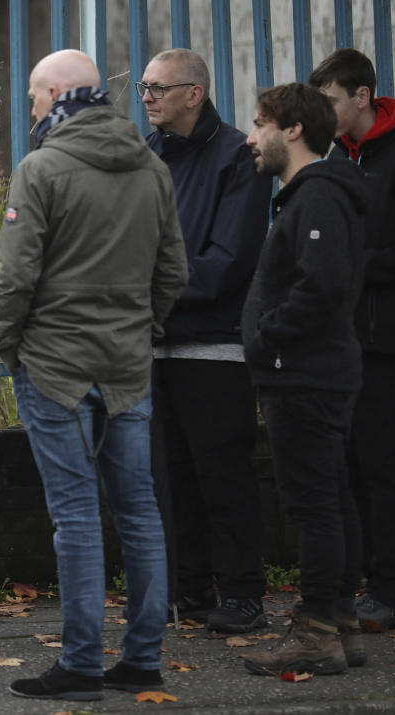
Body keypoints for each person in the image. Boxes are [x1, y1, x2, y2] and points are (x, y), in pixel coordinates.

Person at [0, 49, 188, 701]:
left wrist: (8, 346)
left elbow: (17, 276)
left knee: (75, 513)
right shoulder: (151, 166)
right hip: (128, 366)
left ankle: (79, 663)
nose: (30, 107)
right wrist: (143, 327)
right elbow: (173, 273)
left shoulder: (42, 167)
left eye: (32, 96)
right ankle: (142, 658)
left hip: (55, 365)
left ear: (55, 94)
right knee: (139, 509)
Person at [138, 48, 271, 632]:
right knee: (172, 480)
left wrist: (143, 291)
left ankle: (243, 595)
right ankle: (188, 591)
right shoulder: (146, 157)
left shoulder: (236, 156)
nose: (147, 97)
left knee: (225, 477)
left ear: (194, 93)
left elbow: (228, 262)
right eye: (143, 87)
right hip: (154, 347)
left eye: (158, 88)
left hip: (214, 349)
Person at [241, 82, 367, 675]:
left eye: (260, 123)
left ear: (292, 130)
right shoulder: (311, 196)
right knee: (332, 498)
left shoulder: (315, 196)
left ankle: (317, 632)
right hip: (313, 373)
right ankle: (339, 624)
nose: (251, 137)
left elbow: (322, 287)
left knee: (314, 504)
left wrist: (267, 339)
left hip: (305, 376)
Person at [308, 48, 395, 630]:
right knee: (349, 463)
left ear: (362, 96)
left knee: (386, 464)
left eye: (331, 100)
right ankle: (359, 585)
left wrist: (354, 264)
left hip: (386, 336)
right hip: (343, 334)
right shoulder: (341, 156)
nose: (323, 112)